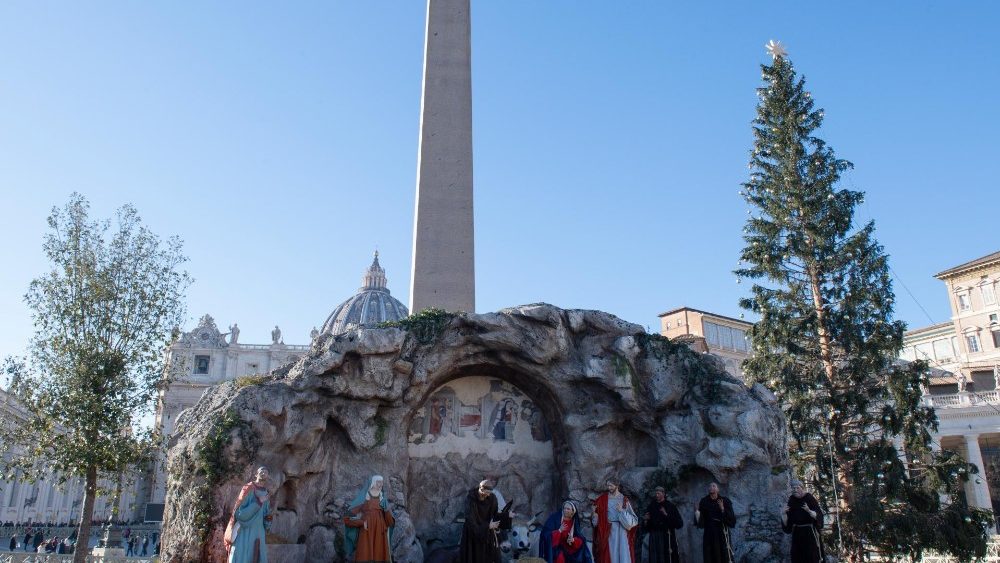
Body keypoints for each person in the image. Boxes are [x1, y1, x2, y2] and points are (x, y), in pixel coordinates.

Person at [224, 466, 273, 563]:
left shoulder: (266, 493)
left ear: (268, 476)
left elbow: (267, 513)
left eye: (266, 472)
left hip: (258, 530)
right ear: (256, 474)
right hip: (244, 528)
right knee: (241, 553)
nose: (264, 473)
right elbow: (239, 513)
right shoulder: (248, 488)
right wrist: (258, 502)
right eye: (261, 471)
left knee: (256, 554)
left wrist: (268, 520)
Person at [343, 475, 395, 563]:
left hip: (380, 531)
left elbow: (389, 523)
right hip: (367, 531)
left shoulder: (383, 499)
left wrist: (386, 510)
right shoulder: (364, 498)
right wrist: (361, 523)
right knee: (364, 554)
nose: (381, 484)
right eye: (378, 482)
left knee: (380, 555)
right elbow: (347, 517)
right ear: (373, 483)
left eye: (382, 482)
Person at [459, 480, 511, 563]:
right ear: (481, 490)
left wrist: (507, 515)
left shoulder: (492, 498)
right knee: (473, 558)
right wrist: (488, 526)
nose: (489, 494)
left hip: (486, 534)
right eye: (487, 492)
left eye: (490, 492)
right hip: (473, 535)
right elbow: (471, 522)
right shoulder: (471, 500)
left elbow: (495, 515)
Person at [592, 479, 636, 563]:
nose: (609, 488)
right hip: (609, 529)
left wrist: (622, 511)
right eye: (608, 486)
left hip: (622, 530)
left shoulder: (624, 499)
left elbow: (633, 520)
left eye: (611, 485)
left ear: (617, 486)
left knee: (623, 551)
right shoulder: (603, 499)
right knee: (611, 552)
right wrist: (594, 514)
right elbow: (596, 517)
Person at [782, 479, 823, 563]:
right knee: (797, 556)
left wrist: (809, 511)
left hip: (810, 533)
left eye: (797, 488)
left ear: (802, 488)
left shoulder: (809, 498)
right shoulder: (792, 500)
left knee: (812, 556)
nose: (795, 490)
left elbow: (819, 515)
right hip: (797, 534)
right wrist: (783, 514)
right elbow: (788, 524)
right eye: (793, 488)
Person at [695, 483, 736, 563]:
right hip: (709, 532)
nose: (711, 487)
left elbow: (732, 519)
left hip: (722, 532)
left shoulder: (725, 501)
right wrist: (697, 512)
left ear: (718, 489)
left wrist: (723, 509)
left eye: (714, 486)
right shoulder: (704, 501)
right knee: (710, 554)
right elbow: (701, 522)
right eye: (710, 486)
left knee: (724, 554)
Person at [643, 486, 683, 563]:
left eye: (658, 493)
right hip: (654, 536)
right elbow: (647, 526)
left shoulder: (670, 506)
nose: (657, 495)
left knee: (667, 557)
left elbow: (679, 523)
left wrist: (666, 514)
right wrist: (646, 520)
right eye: (656, 493)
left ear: (663, 494)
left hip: (666, 535)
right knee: (655, 558)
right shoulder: (651, 506)